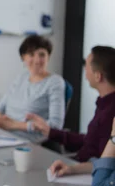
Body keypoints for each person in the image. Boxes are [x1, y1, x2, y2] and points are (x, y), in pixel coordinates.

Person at [29, 46, 115, 176]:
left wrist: (73, 169)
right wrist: (50, 132)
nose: (85, 70)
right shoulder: (104, 103)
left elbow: (104, 162)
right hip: (77, 167)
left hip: (86, 175)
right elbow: (90, 140)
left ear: (98, 76)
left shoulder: (110, 112)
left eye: (87, 66)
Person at [0, 35, 65, 143]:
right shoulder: (21, 78)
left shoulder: (55, 82)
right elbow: (0, 107)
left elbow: (55, 126)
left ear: (48, 57)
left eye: (42, 55)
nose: (37, 60)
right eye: (31, 54)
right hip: (4, 136)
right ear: (23, 57)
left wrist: (14, 125)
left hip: (28, 141)